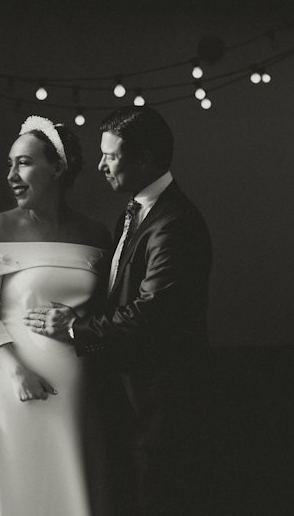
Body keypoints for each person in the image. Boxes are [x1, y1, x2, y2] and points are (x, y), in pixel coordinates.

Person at [23, 106, 213, 516]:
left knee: (155, 497)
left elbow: (152, 313)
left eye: (111, 156)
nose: (101, 165)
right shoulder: (138, 211)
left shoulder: (173, 223)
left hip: (159, 394)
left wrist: (77, 329)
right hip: (129, 392)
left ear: (143, 159)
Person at [0, 116, 114, 516]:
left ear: (57, 167)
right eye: (10, 164)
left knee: (64, 479)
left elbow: (105, 308)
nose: (11, 175)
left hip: (73, 381)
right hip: (8, 379)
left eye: (23, 163)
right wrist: (16, 370)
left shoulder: (94, 234)